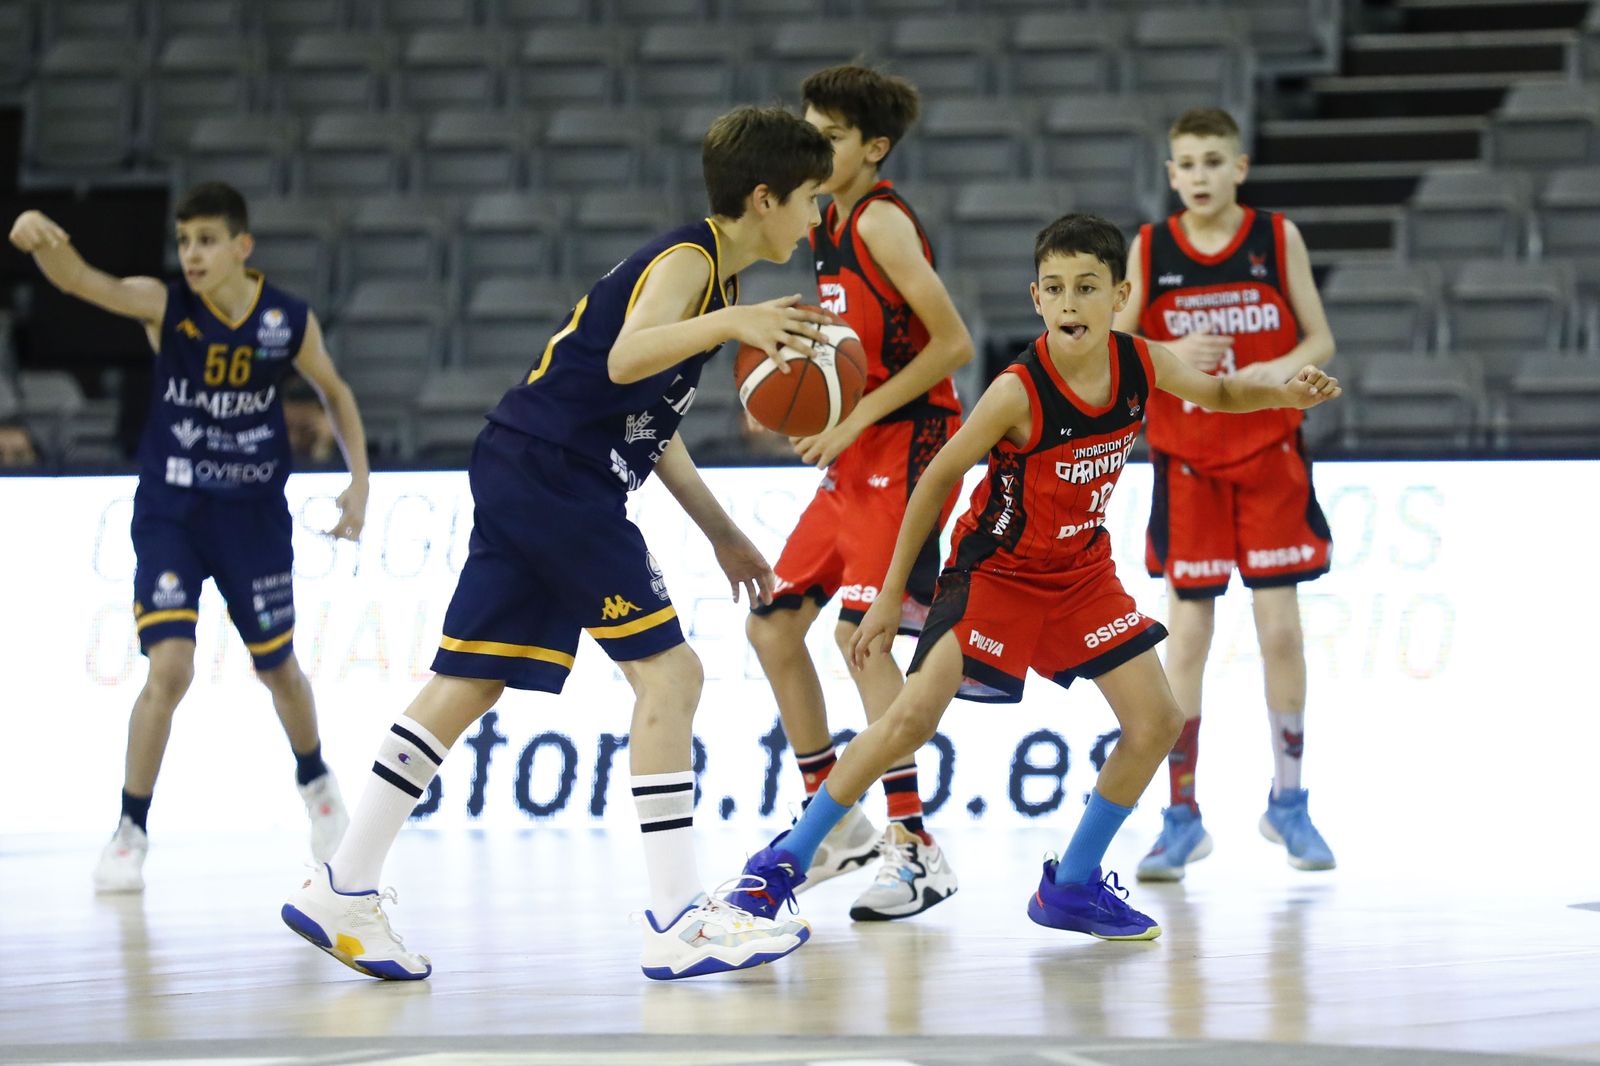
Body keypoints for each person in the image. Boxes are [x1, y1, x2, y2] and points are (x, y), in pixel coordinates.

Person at [280, 106, 834, 982]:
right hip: (555, 474)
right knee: (673, 673)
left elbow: (650, 419)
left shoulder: (712, 283)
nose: (815, 220)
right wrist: (735, 327)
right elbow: (623, 359)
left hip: (531, 463)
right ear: (763, 199)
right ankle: (678, 919)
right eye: (809, 200)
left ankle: (342, 886)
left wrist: (723, 532)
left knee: (468, 678)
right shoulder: (692, 261)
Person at [726, 214, 1340, 941]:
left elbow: (1219, 395)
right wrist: (892, 594)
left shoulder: (1142, 361)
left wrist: (1284, 396)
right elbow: (938, 478)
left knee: (1157, 722)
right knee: (910, 722)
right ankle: (782, 865)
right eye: (1055, 289)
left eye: (1087, 287)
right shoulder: (1019, 389)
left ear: (1121, 295)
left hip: (1080, 572)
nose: (1071, 302)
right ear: (1036, 300)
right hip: (995, 572)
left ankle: (1072, 886)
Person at [8, 182, 371, 893]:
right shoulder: (165, 305)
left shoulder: (286, 319)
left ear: (242, 246)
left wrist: (360, 479)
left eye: (206, 240)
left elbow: (335, 390)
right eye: (183, 242)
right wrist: (38, 236)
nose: (192, 255)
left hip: (252, 515)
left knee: (280, 671)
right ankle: (130, 830)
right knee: (168, 669)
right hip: (174, 508)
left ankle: (316, 781)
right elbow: (84, 282)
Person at [744, 65, 972, 921]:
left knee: (863, 639)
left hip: (909, 442)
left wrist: (852, 415)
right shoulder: (824, 217)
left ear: (874, 148)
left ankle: (915, 847)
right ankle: (833, 824)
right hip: (859, 447)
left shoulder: (879, 222)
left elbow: (952, 344)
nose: (816, 146)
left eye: (831, 135)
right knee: (772, 626)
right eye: (810, 131)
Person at [1114, 107, 1339, 881]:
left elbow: (1320, 338)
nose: (1202, 174)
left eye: (1215, 160)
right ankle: (1181, 815)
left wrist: (1280, 374)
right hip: (1188, 462)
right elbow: (1116, 345)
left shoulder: (1276, 238)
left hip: (1269, 451)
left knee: (1280, 631)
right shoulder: (1150, 248)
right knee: (1189, 638)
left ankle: (1289, 801)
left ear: (1239, 167)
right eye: (1189, 163)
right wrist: (1170, 350)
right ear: (1172, 174)